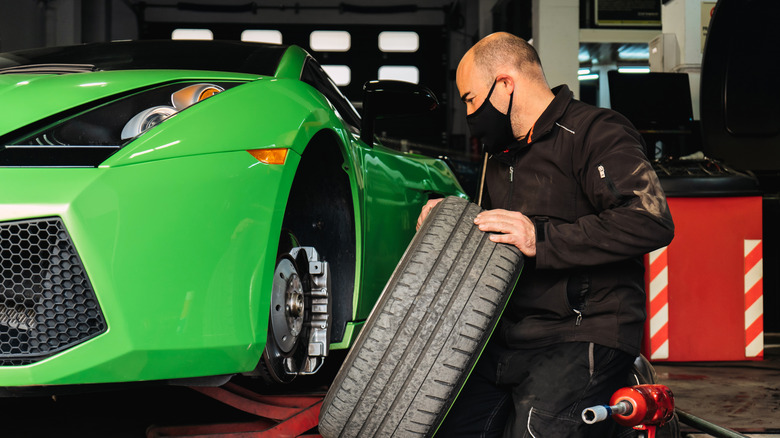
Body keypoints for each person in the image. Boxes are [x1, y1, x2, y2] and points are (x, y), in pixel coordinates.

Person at [417, 32, 674, 437]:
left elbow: (648, 218)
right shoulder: (499, 155)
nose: (469, 113)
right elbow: (498, 237)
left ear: (505, 84)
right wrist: (449, 220)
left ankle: (624, 394)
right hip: (506, 337)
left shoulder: (596, 132)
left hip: (580, 334)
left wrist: (541, 238)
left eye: (470, 99)